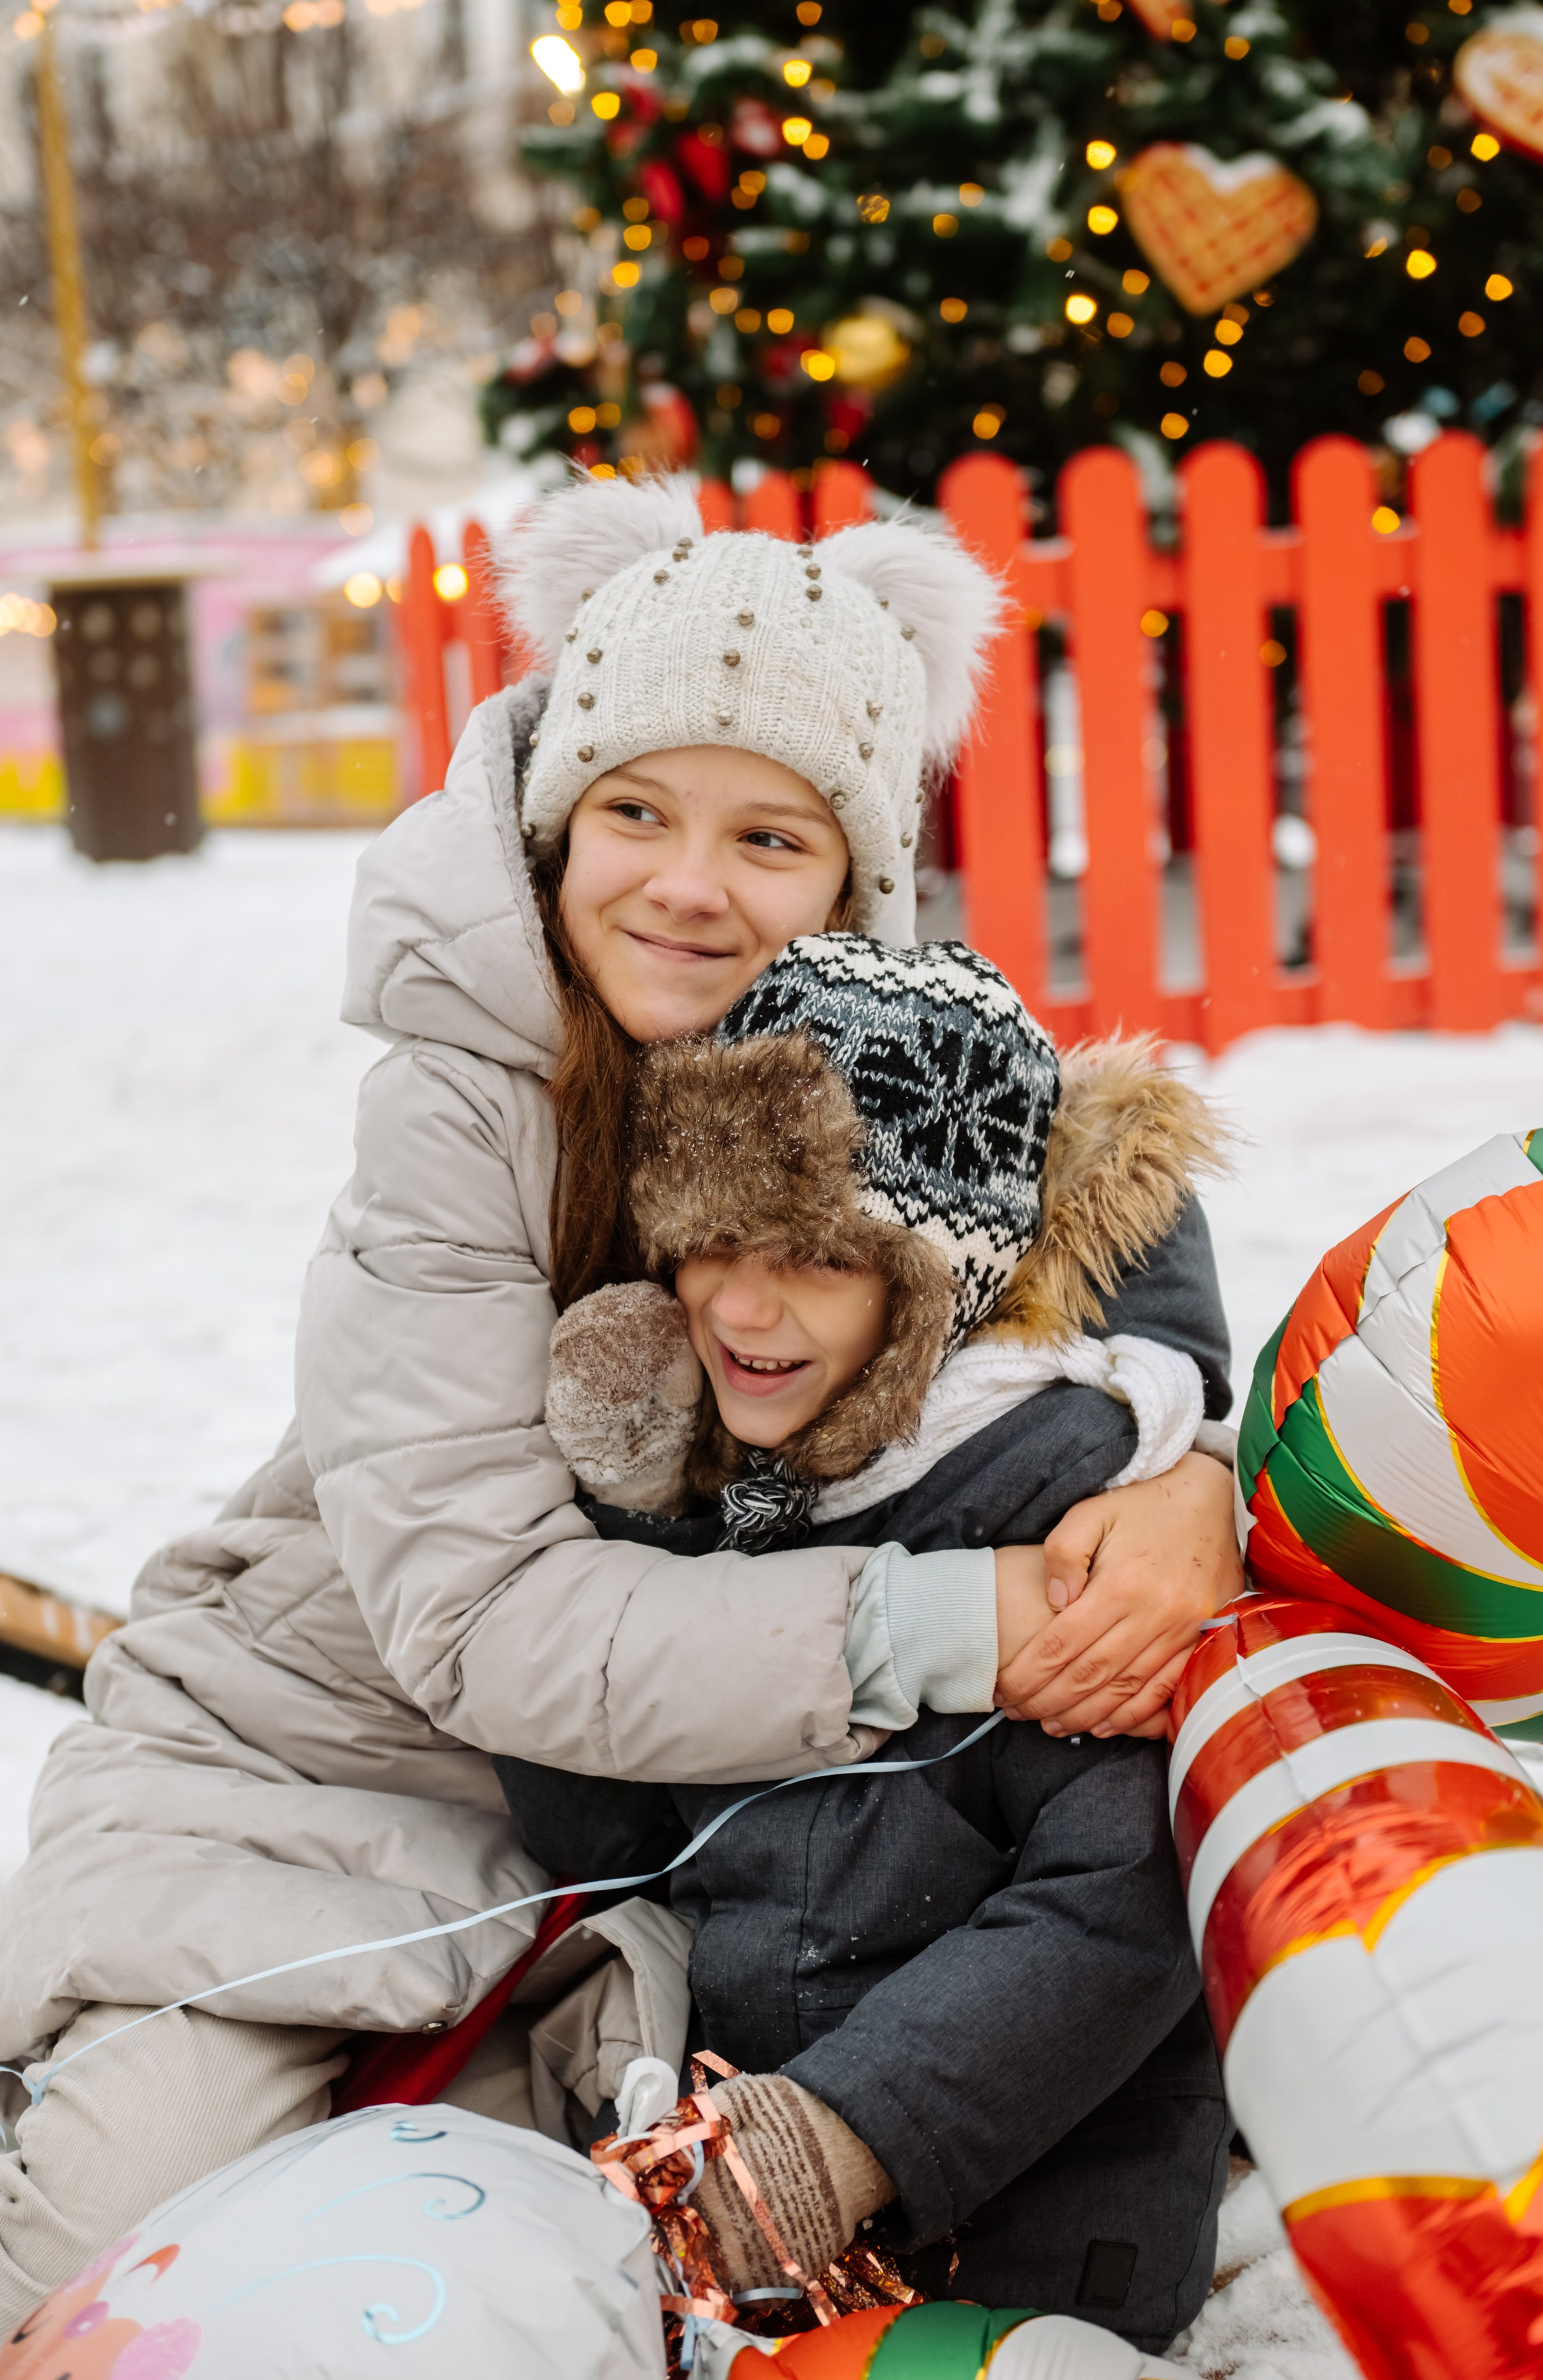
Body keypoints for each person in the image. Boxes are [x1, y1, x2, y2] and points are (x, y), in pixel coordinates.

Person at [0, 473, 1242, 2326]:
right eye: (637, 810)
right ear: (553, 817)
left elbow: (1098, 1185)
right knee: (98, 2241)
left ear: (855, 885)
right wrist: (976, 1613)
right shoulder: (463, 1100)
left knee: (513, 2279)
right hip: (324, 1759)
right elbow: (484, 1620)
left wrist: (1181, 1450)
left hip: (617, 1828)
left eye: (770, 836)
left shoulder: (867, 1055)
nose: (687, 881)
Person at [497, 932, 1233, 2351]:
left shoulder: (1064, 1520)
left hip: (1011, 2239)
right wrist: (623, 1515)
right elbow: (603, 1827)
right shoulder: (732, 1480)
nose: (740, 1304)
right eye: (708, 1239)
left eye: (817, 1261)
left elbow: (1125, 1900)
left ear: (938, 1283)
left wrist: (843, 2139)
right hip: (732, 2203)